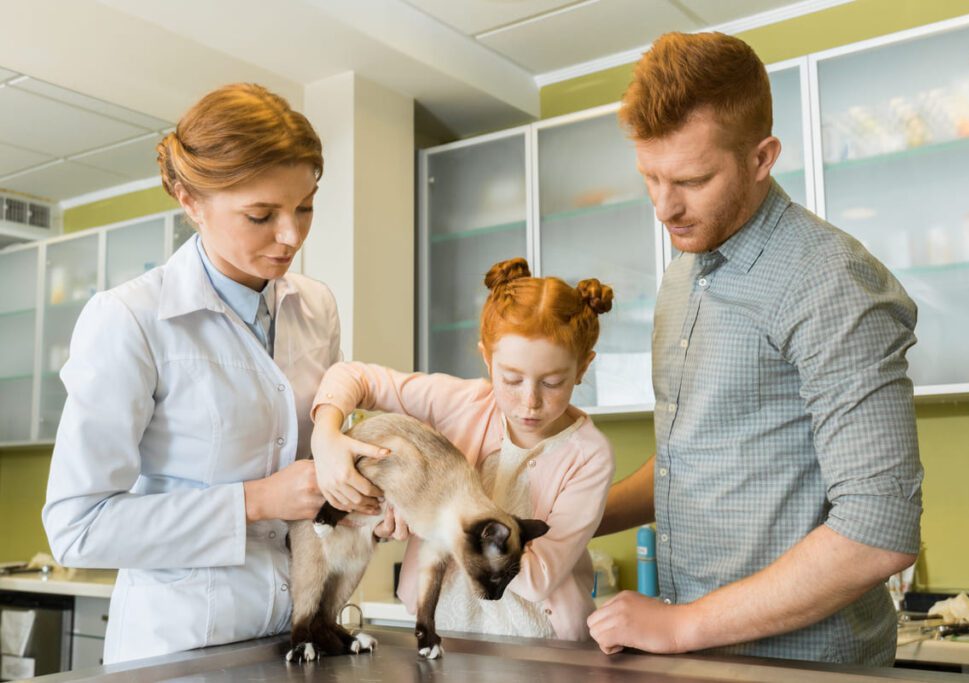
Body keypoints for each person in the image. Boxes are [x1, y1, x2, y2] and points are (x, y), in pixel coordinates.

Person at [586, 32, 923, 666]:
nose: (665, 207)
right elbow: (691, 462)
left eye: (691, 179)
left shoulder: (830, 282)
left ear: (762, 157)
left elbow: (878, 533)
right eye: (650, 177)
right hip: (700, 659)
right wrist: (564, 517)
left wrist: (680, 627)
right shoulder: (687, 269)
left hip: (804, 667)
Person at [42, 84, 340, 663]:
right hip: (180, 648)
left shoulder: (317, 306)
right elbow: (78, 527)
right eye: (261, 214)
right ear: (190, 200)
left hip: (294, 638)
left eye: (304, 206)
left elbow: (310, 470)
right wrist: (253, 501)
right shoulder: (129, 319)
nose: (292, 235)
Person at [310, 258, 616, 641]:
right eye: (511, 379)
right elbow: (352, 376)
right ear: (487, 358)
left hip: (541, 646)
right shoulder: (461, 401)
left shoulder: (589, 455)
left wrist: (441, 524)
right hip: (447, 639)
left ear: (584, 367)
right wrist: (325, 437)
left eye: (552, 382)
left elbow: (539, 580)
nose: (530, 401)